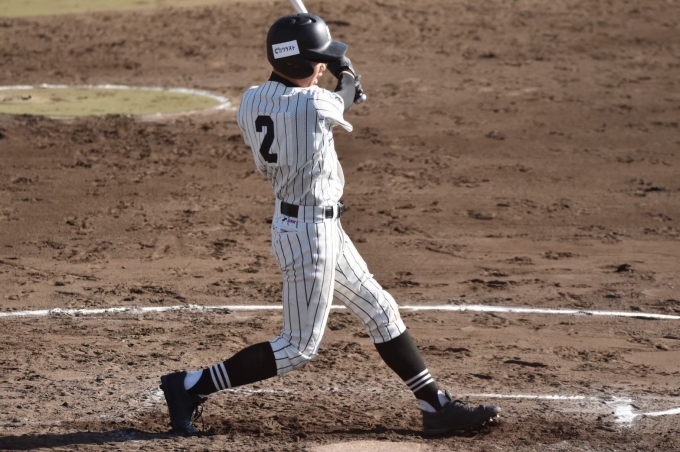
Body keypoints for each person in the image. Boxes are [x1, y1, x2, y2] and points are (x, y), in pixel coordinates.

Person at [160, 12, 500, 438]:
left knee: (380, 309)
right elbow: (343, 97)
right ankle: (189, 386)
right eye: (318, 59)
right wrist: (348, 75)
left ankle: (435, 406)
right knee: (297, 347)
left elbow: (333, 95)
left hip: (312, 226)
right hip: (309, 237)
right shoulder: (314, 104)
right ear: (300, 62)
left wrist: (339, 75)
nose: (323, 64)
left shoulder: (250, 100)